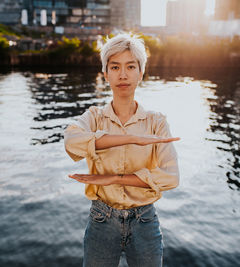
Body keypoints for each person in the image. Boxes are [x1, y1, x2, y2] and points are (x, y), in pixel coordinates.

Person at [64, 33, 180, 267]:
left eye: (130, 66)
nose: (123, 74)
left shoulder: (156, 122)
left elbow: (171, 177)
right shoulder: (95, 116)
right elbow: (72, 141)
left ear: (141, 72)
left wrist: (113, 178)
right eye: (115, 67)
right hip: (102, 219)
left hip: (145, 219)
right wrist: (132, 139)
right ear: (106, 74)